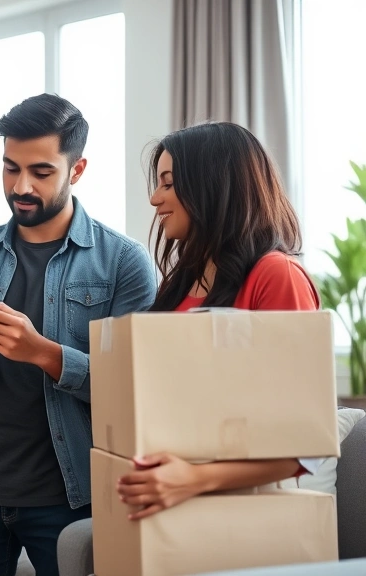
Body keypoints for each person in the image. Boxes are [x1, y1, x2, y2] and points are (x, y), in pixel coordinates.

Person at [0, 93, 158, 576]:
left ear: (76, 170)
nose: (21, 185)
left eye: (40, 171)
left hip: (69, 494)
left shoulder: (123, 263)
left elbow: (135, 390)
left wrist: (44, 353)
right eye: (10, 168)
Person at [116, 121, 322, 519]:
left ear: (214, 186)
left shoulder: (276, 276)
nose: (155, 198)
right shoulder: (177, 287)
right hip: (169, 502)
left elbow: (304, 445)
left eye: (169, 183)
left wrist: (192, 479)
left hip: (237, 512)